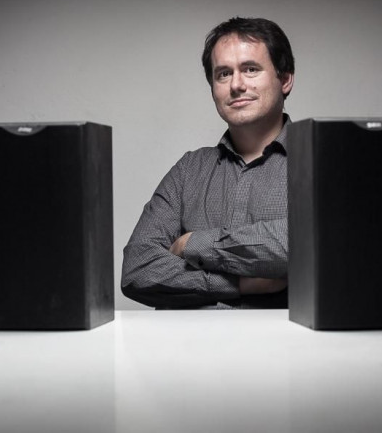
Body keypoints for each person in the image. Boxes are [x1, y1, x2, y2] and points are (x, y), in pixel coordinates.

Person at [121, 17, 295, 309]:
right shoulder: (189, 170)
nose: (236, 85)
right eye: (223, 74)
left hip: (286, 339)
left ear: (285, 79)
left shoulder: (320, 161)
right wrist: (238, 285)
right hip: (191, 340)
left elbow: (309, 244)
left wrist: (192, 244)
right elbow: (138, 269)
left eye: (251, 69)